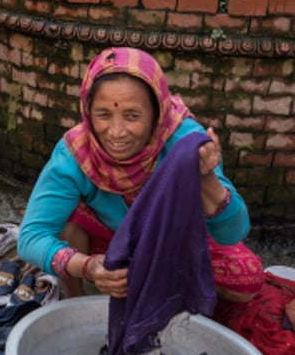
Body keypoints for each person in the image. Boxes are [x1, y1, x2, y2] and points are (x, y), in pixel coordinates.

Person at [17, 46, 263, 301]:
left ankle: (172, 288)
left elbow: (233, 233)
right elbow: (31, 237)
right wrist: (89, 266)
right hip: (110, 236)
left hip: (174, 239)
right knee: (65, 223)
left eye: (132, 116)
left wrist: (207, 178)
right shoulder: (75, 153)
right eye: (103, 115)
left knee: (246, 282)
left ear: (157, 112)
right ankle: (74, 297)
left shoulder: (186, 142)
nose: (116, 132)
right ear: (88, 112)